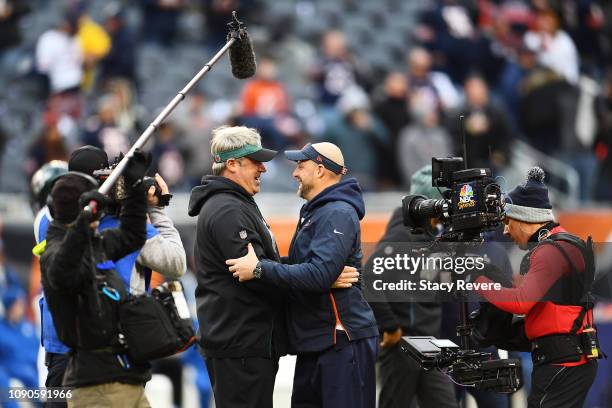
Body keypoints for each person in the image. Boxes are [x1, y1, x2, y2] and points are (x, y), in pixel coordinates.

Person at [187, 128, 357, 408]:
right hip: (240, 344)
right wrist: (319, 277)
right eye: (255, 161)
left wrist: (317, 271)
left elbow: (263, 267)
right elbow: (255, 276)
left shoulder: (237, 203)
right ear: (232, 164)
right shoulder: (227, 209)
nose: (263, 168)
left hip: (246, 342)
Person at [227, 142, 379, 408]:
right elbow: (311, 269)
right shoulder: (320, 211)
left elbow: (318, 274)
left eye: (300, 165)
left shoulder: (337, 212)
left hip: (341, 339)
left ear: (320, 170)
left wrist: (260, 269)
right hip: (318, 340)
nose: (295, 173)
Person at [35, 145, 186, 407]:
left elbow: (130, 235)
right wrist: (155, 210)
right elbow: (176, 262)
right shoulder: (69, 251)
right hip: (101, 365)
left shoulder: (48, 222)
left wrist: (135, 193)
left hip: (64, 355)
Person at [474, 167, 599, 408]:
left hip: (562, 363)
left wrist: (478, 281)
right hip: (568, 360)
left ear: (525, 218)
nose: (506, 230)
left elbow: (522, 301)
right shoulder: (562, 243)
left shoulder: (550, 251)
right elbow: (547, 310)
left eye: (509, 222)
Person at [368, 165, 458, 408]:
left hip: (430, 343)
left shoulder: (428, 234)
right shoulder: (401, 234)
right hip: (404, 345)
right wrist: (391, 327)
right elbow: (369, 277)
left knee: (446, 403)